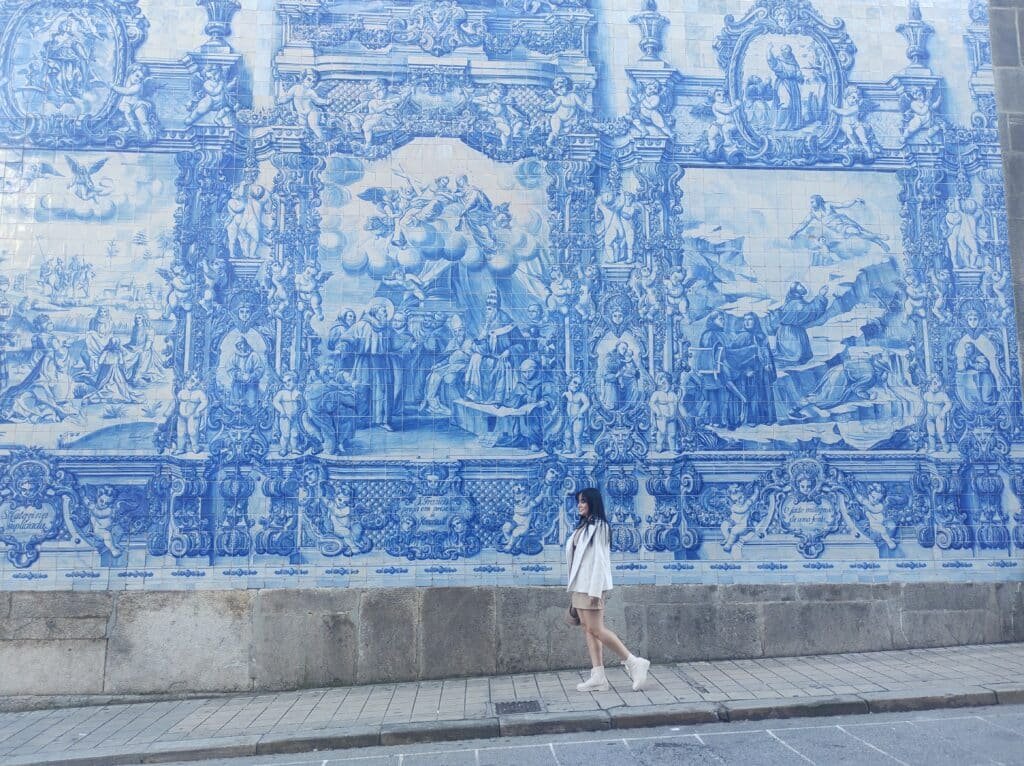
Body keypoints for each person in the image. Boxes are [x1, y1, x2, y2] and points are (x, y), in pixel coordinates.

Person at [567, 487, 650, 693]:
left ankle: (633, 662)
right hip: (580, 585)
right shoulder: (583, 526)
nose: (580, 505)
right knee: (588, 629)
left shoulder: (600, 527)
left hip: (591, 586)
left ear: (593, 503)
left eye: (584, 501)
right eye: (579, 501)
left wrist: (596, 591)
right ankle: (598, 676)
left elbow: (601, 561)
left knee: (597, 629)